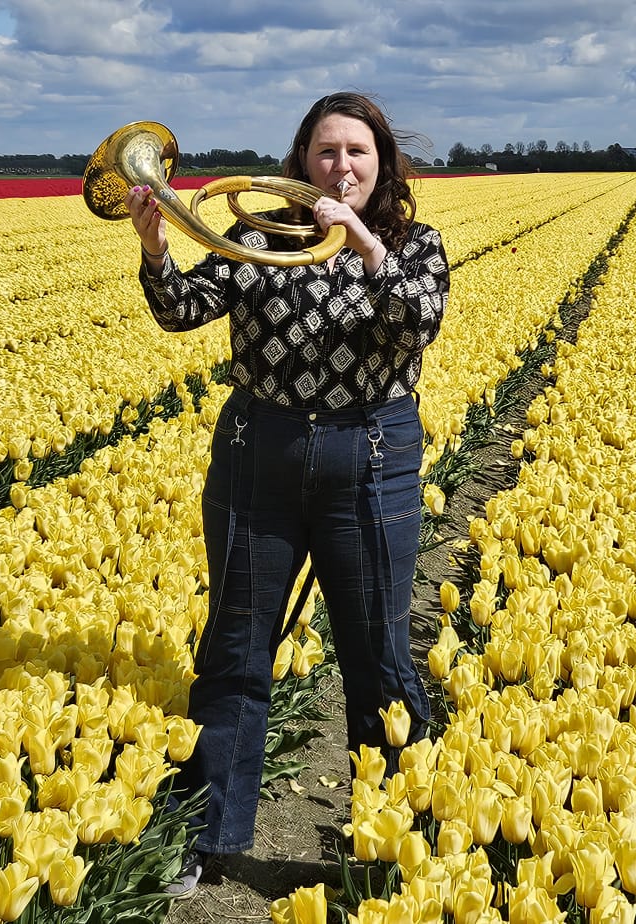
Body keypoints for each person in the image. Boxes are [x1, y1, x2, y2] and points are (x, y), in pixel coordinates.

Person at [126, 91, 449, 896]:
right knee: (235, 650)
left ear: (383, 166)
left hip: (370, 459)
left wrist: (364, 243)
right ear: (302, 161)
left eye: (357, 153)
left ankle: (401, 840)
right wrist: (156, 246)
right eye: (326, 151)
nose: (341, 166)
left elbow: (415, 323)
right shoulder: (256, 234)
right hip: (258, 457)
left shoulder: (412, 245)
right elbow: (184, 312)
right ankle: (205, 838)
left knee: (377, 653)